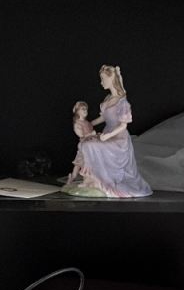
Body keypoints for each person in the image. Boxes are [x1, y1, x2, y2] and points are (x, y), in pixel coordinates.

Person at [64, 66, 152, 198]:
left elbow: (123, 125)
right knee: (85, 144)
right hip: (106, 134)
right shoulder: (107, 99)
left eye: (103, 79)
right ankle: (90, 180)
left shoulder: (123, 102)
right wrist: (86, 124)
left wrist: (109, 136)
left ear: (111, 79)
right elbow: (103, 118)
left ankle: (96, 181)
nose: (101, 82)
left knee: (89, 145)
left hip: (118, 140)